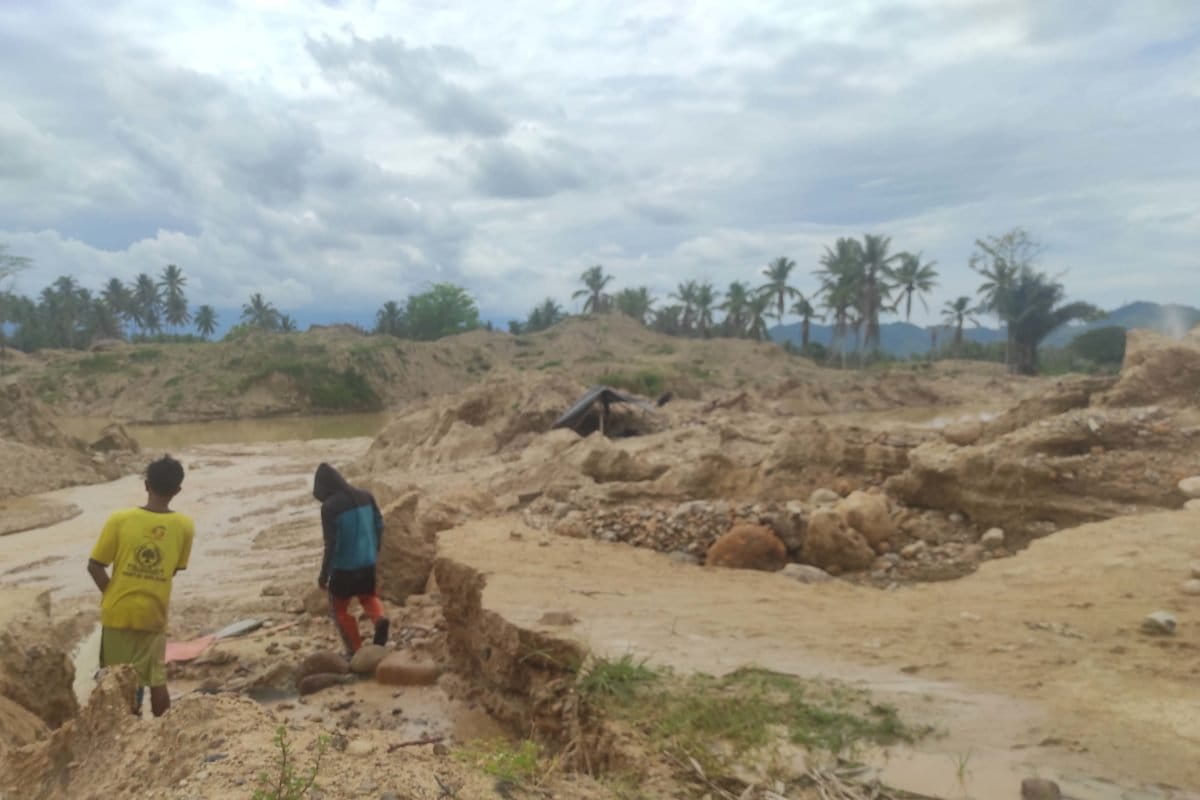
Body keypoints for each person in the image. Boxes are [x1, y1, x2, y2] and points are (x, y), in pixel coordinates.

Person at [87, 455, 194, 717]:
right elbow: (171, 570)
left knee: (117, 679)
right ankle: (162, 729)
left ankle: (127, 725)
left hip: (117, 612)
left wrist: (112, 594)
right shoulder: (185, 526)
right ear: (178, 490)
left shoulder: (119, 519)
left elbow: (95, 566)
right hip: (153, 613)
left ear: (146, 485)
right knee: (156, 678)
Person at [312, 462, 389, 654]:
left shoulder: (329, 507)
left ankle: (355, 650)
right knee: (368, 597)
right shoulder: (366, 496)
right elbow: (379, 525)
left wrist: (324, 575)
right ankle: (380, 620)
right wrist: (374, 551)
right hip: (367, 562)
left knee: (339, 610)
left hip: (343, 568)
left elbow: (331, 543)